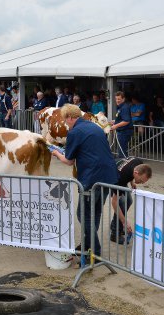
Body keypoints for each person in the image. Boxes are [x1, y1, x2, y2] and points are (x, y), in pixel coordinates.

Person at [50, 104, 118, 264]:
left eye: (65, 120)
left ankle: (95, 251)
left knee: (83, 214)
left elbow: (68, 160)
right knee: (95, 213)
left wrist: (56, 153)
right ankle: (88, 247)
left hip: (91, 178)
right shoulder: (94, 127)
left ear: (70, 117)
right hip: (108, 175)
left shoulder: (75, 132)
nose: (65, 123)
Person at [109, 158, 152, 244]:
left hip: (121, 173)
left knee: (129, 201)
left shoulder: (138, 163)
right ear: (136, 173)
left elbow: (130, 168)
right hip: (112, 178)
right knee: (121, 203)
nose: (141, 183)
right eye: (141, 180)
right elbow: (114, 202)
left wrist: (132, 182)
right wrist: (125, 221)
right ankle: (115, 233)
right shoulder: (121, 178)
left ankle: (116, 225)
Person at [110, 91, 133, 158]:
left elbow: (126, 121)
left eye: (119, 99)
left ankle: (123, 166)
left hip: (124, 132)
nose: (117, 100)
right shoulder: (120, 107)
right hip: (122, 132)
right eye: (116, 99)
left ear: (123, 99)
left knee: (122, 152)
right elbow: (122, 119)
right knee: (121, 150)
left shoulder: (124, 107)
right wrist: (115, 121)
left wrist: (115, 126)